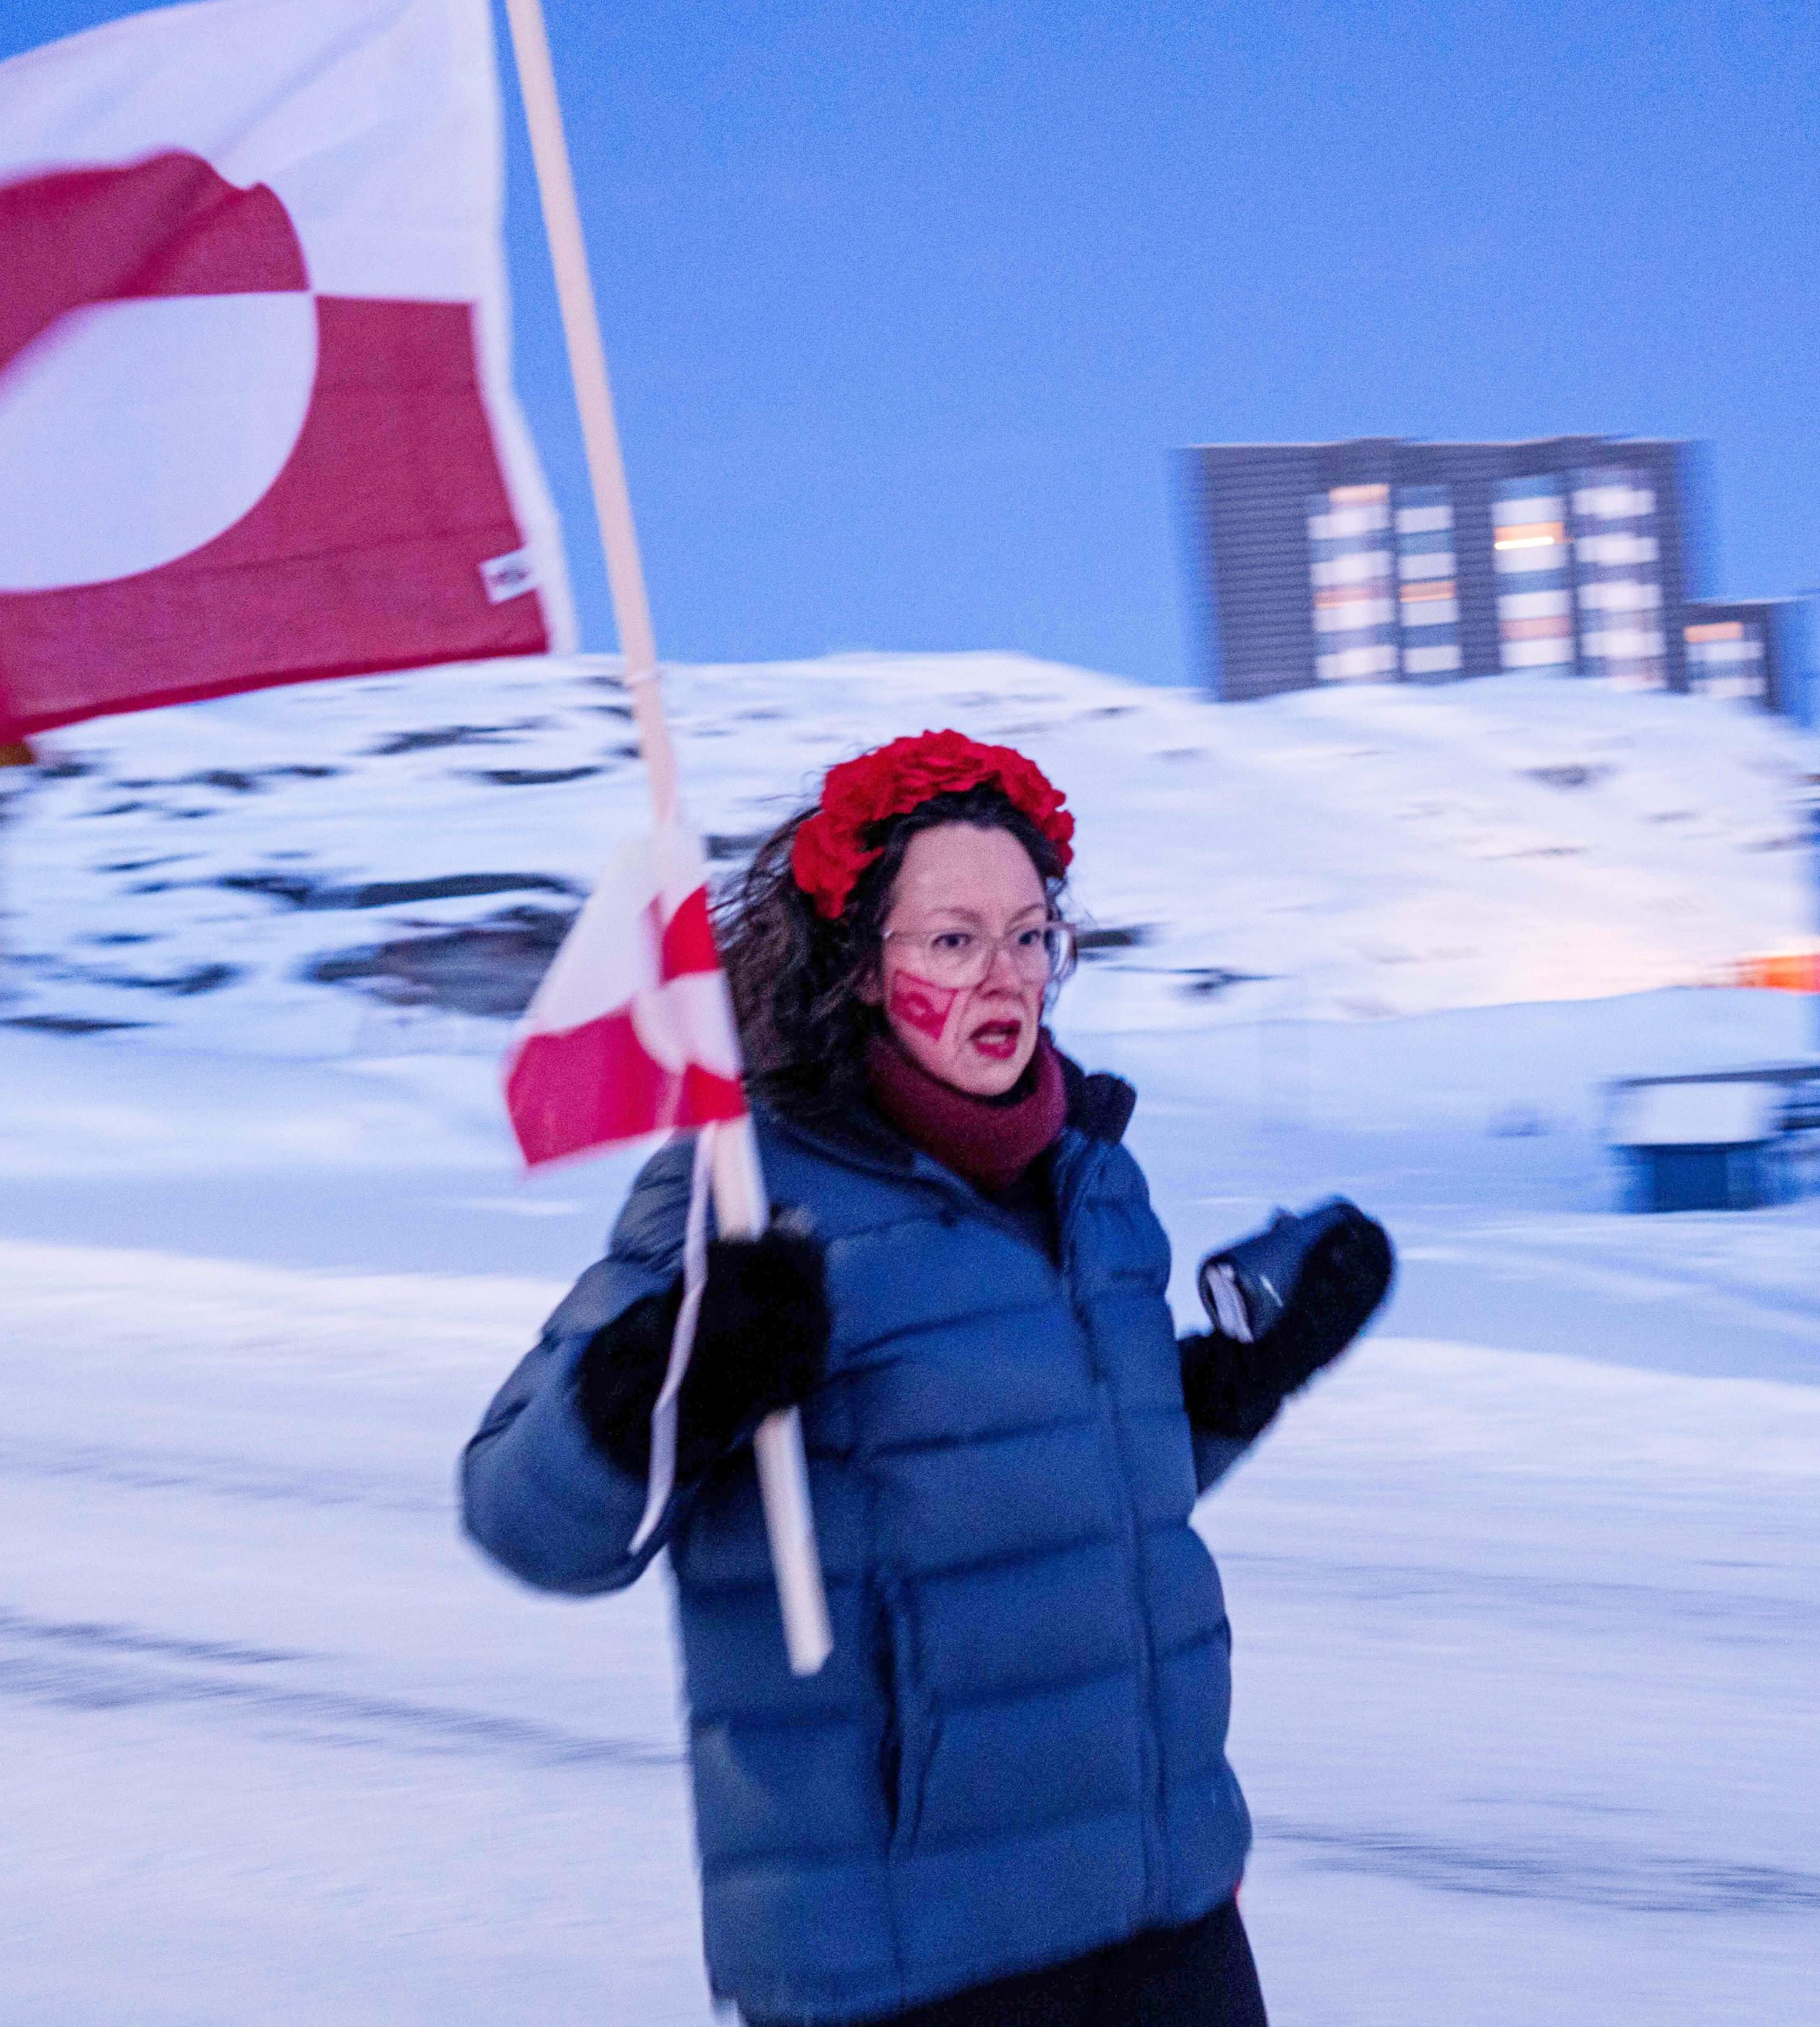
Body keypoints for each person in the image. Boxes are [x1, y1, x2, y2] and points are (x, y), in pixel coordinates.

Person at [461, 730, 1392, 2026]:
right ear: (856, 967)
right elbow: (524, 1516)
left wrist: (1243, 1376)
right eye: (953, 940)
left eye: (1028, 934)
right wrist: (667, 1379)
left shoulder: (1094, 1185)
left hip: (1164, 1916)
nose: (1004, 975)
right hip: (913, 1965)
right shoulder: (744, 1189)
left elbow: (1070, 1489)